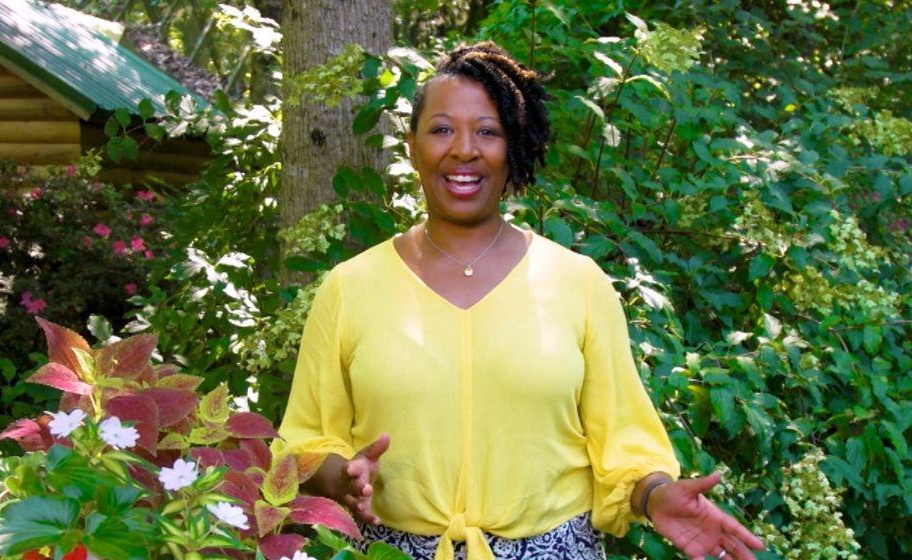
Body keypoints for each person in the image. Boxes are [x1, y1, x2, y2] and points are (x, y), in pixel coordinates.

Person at [278, 42, 765, 560]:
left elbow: (623, 442)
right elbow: (306, 440)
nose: (464, 149)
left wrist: (655, 493)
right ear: (412, 146)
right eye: (442, 129)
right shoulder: (351, 287)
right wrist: (341, 478)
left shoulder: (577, 282)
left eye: (488, 131)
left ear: (514, 148)